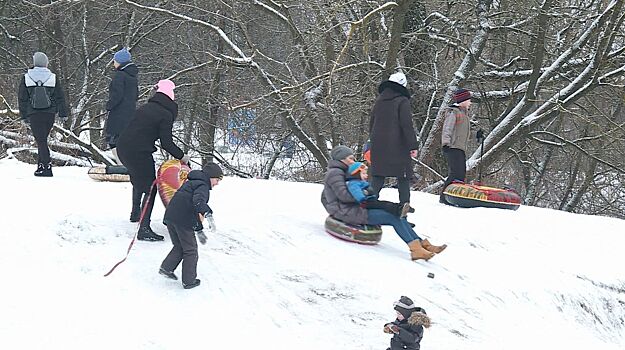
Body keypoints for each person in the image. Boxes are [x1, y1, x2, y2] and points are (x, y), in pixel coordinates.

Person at [321, 146, 446, 261]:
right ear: (341, 159)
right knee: (393, 217)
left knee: (397, 214)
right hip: (346, 211)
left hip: (356, 207)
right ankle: (416, 250)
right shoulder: (335, 173)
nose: (353, 161)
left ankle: (423, 245)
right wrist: (365, 193)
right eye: (350, 158)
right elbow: (344, 196)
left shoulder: (345, 172)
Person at [116, 79, 190, 241]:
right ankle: (144, 228)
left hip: (123, 148)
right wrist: (182, 157)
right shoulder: (165, 114)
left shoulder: (145, 108)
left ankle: (135, 213)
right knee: (151, 186)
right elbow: (167, 143)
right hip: (138, 151)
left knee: (139, 179)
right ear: (170, 98)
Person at [159, 163, 223, 289]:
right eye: (217, 180)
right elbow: (198, 202)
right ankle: (189, 281)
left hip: (172, 217)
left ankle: (167, 268)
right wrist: (208, 213)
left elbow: (192, 209)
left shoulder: (191, 182)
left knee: (180, 246)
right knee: (191, 250)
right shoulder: (202, 186)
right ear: (210, 177)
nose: (217, 183)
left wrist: (199, 230)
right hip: (182, 220)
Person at [369, 71, 419, 205]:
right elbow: (406, 125)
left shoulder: (379, 100)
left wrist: (372, 140)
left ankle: (367, 204)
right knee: (403, 175)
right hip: (398, 145)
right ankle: (405, 205)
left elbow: (372, 123)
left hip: (378, 144)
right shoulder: (402, 101)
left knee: (378, 175)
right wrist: (413, 145)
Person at [17, 52, 68, 177]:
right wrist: (62, 113)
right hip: (49, 113)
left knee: (41, 140)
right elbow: (60, 96)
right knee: (42, 139)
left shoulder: (27, 77)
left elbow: (22, 98)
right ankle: (41, 166)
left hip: (34, 113)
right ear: (46, 63)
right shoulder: (52, 77)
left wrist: (23, 115)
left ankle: (46, 167)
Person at [105, 48, 138, 163]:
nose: (113, 63)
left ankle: (121, 164)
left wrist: (109, 105)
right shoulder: (133, 77)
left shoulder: (120, 75)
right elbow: (136, 95)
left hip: (118, 113)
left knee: (113, 139)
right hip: (130, 112)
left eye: (114, 60)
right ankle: (127, 163)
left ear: (119, 62)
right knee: (124, 140)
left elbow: (117, 95)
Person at [345, 162, 412, 218]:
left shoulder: (360, 182)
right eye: (363, 174)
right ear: (355, 174)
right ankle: (398, 210)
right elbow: (355, 191)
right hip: (364, 203)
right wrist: (363, 197)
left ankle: (400, 208)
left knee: (384, 203)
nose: (366, 175)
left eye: (366, 173)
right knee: (383, 205)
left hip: (368, 201)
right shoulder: (353, 183)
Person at [440, 88, 472, 205]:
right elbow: (447, 128)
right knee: (455, 173)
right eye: (468, 100)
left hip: (460, 147)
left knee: (461, 173)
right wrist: (446, 143)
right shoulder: (454, 112)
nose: (470, 103)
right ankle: (444, 197)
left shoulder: (465, 115)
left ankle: (455, 196)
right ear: (463, 101)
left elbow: (463, 132)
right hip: (452, 147)